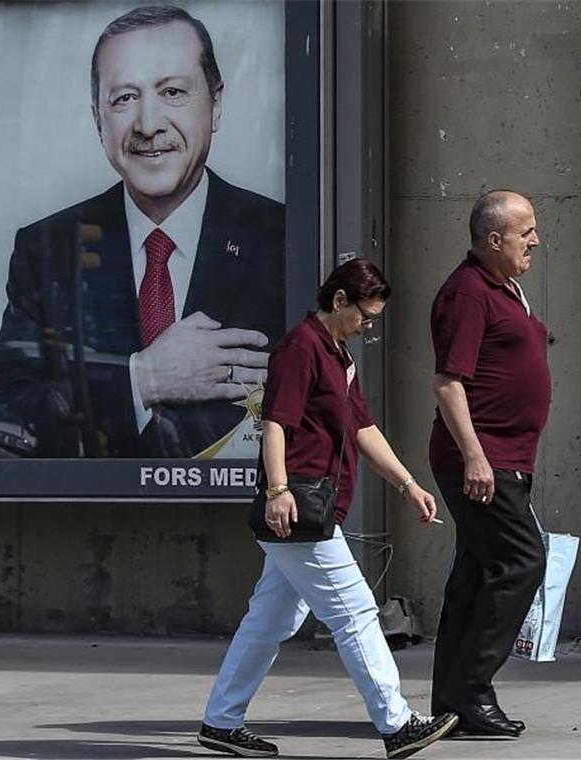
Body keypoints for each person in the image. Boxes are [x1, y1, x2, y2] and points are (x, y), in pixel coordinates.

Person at [0, 5, 282, 458]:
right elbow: (0, 428)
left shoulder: (284, 239)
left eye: (173, 91)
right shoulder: (48, 250)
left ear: (215, 105)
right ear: (98, 120)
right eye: (124, 98)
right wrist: (144, 379)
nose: (147, 124)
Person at [198, 259, 458, 759]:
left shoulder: (338, 355)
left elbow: (363, 429)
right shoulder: (300, 349)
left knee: (269, 621)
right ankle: (397, 722)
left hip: (313, 507)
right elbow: (275, 423)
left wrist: (408, 484)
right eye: (367, 316)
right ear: (339, 301)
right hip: (299, 511)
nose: (369, 327)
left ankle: (221, 722)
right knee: (357, 612)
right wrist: (277, 492)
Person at [428, 190, 550, 738]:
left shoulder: (503, 288)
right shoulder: (468, 293)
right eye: (527, 232)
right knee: (522, 561)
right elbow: (449, 381)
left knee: (475, 575)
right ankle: (474, 693)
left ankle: (451, 703)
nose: (536, 240)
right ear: (494, 239)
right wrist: (476, 457)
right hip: (482, 459)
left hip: (505, 457)